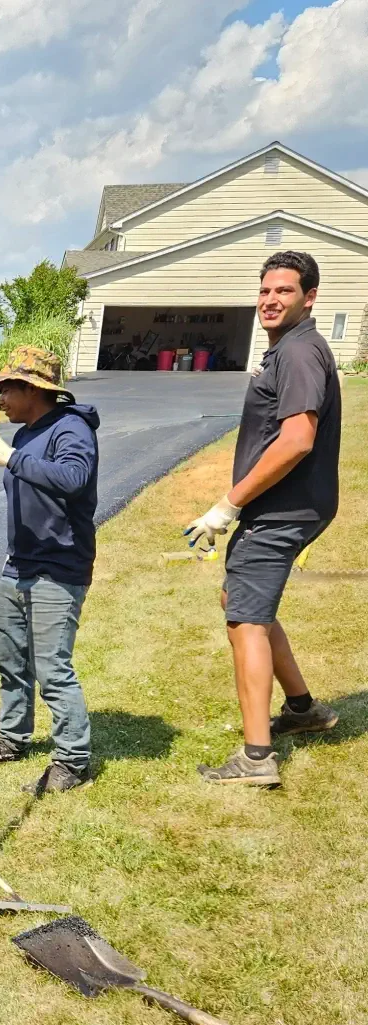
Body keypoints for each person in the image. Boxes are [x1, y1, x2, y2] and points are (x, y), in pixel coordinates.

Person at [186, 250, 342, 787]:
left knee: (245, 620)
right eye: (265, 290)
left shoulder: (299, 353)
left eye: (285, 291)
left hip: (283, 507)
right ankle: (303, 710)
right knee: (242, 598)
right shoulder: (291, 350)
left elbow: (297, 440)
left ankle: (256, 757)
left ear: (310, 297)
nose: (271, 300)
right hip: (289, 503)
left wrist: (229, 505)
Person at [0, 346, 101, 794]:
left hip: (58, 569)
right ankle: (11, 737)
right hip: (19, 564)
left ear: (32, 389)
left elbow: (73, 479)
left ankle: (72, 760)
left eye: (6, 389)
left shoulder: (72, 429)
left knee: (52, 668)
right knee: (10, 660)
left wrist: (8, 457)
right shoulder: (26, 433)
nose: (0, 398)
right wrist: (10, 454)